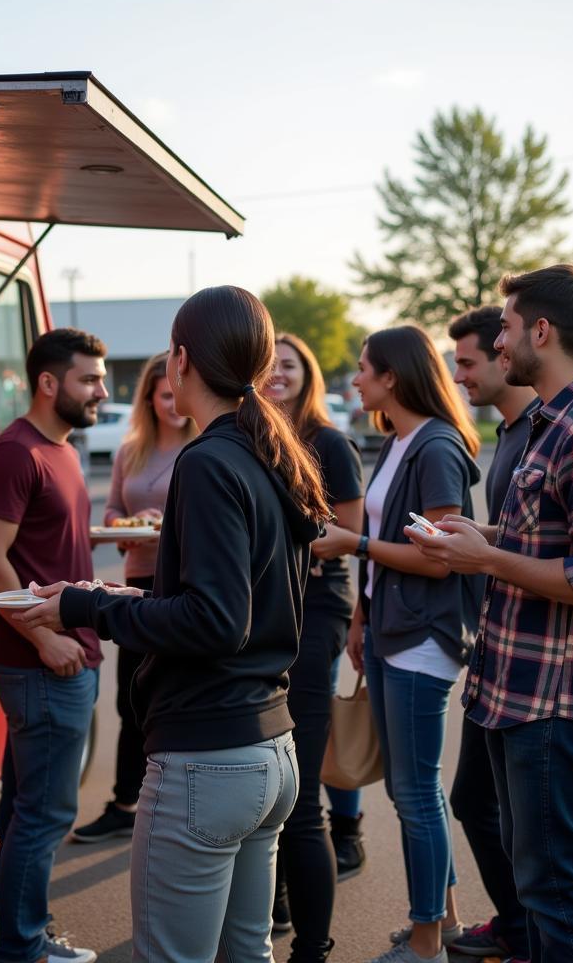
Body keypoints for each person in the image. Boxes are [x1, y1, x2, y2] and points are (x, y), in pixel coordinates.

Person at [19, 286, 326, 962]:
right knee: (247, 955)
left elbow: (216, 620)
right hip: (269, 749)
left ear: (182, 359)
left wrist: (83, 607)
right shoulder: (264, 454)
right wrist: (110, 593)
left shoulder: (210, 461)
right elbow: (225, 598)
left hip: (209, 757)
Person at [410, 265, 573, 963]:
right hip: (523, 692)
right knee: (542, 888)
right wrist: (478, 540)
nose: (501, 338)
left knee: (560, 890)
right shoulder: (554, 421)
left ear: (541, 331)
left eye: (508, 327)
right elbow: (549, 543)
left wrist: (487, 561)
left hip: (556, 699)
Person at [320, 326, 482, 963]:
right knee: (413, 790)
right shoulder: (398, 439)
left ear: (393, 376)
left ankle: (425, 944)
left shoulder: (437, 446)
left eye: (363, 369)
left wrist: (352, 544)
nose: (355, 379)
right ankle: (447, 923)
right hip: (389, 630)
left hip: (423, 638)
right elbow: (393, 542)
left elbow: (442, 559)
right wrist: (361, 617)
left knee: (414, 792)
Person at [0, 327, 108, 963]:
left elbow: (46, 548)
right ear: (49, 384)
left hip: (69, 652)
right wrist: (46, 636)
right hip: (40, 661)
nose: (101, 390)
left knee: (30, 809)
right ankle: (23, 948)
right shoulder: (15, 453)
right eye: (89, 379)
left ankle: (26, 936)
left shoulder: (64, 450)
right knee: (45, 815)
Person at [263, 332, 364, 960]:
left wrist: (282, 543)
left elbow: (351, 532)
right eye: (268, 362)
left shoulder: (328, 441)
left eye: (290, 363)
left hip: (318, 611)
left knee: (298, 782)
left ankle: (313, 943)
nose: (277, 371)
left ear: (309, 375)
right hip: (266, 613)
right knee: (267, 775)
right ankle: (271, 897)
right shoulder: (253, 436)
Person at [72, 351, 196, 844]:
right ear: (149, 397)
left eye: (176, 393)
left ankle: (178, 804)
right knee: (133, 697)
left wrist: (165, 530)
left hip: (183, 586)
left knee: (181, 696)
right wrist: (129, 527)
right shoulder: (131, 451)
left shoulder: (202, 446)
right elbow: (115, 517)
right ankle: (127, 802)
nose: (172, 404)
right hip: (137, 582)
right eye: (164, 395)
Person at [445, 305, 537, 961]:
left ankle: (526, 931)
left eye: (471, 360)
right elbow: (526, 539)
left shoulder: (550, 431)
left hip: (537, 671)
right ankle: (516, 925)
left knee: (551, 854)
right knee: (474, 800)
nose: (462, 375)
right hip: (497, 654)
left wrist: (485, 551)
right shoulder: (506, 434)